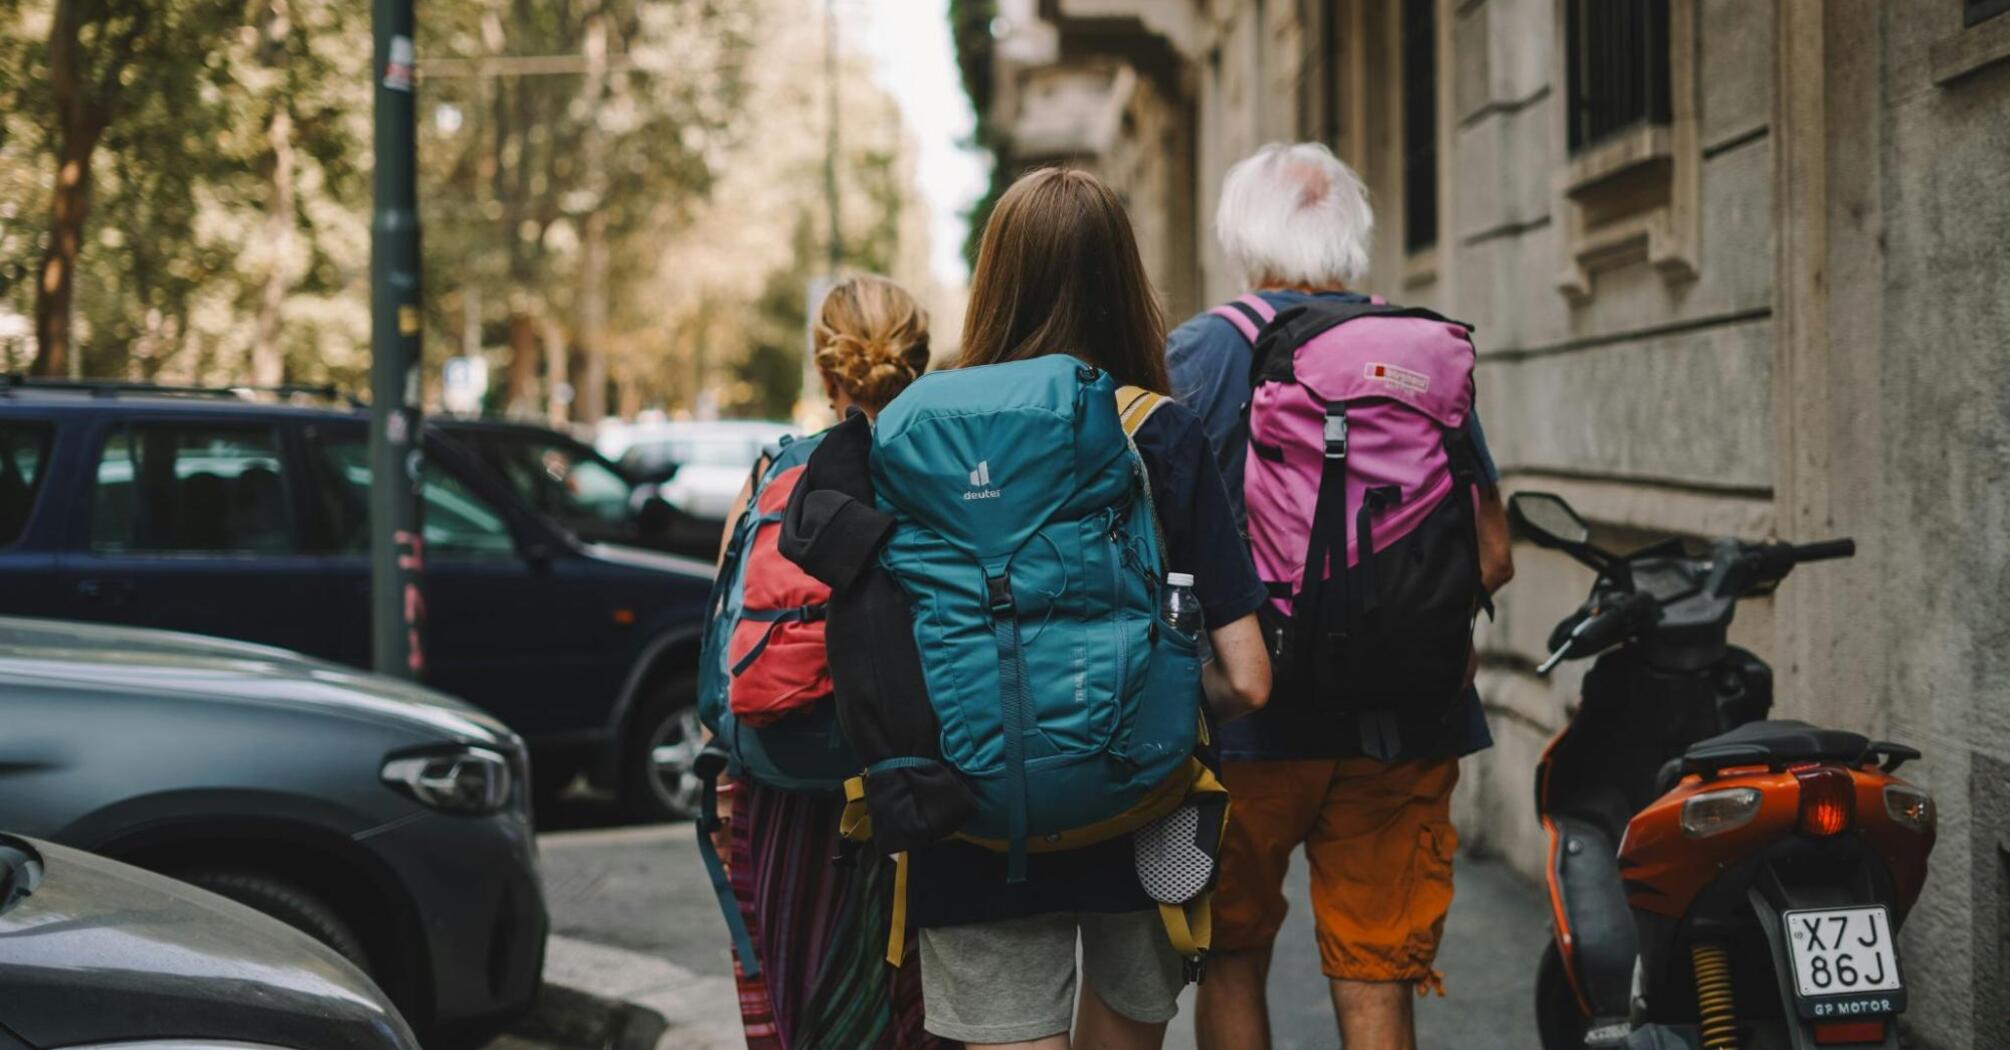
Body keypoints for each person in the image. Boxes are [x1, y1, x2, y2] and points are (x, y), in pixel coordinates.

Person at [908, 167, 1274, 1050]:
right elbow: (1251, 680)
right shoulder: (1159, 430)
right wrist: (1160, 703)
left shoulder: (920, 431)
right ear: (1124, 279)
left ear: (995, 280)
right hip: (1143, 808)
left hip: (968, 810)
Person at [1167, 143, 1515, 1050]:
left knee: (1233, 956)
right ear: (1352, 235)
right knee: (1375, 975)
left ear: (1242, 237)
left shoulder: (1206, 350)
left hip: (1248, 722)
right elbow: (1493, 550)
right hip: (1404, 726)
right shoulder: (1421, 352)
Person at [712, 274, 943, 1050]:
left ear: (825, 369)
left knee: (806, 1003)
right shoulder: (946, 472)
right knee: (923, 1003)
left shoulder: (772, 472)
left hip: (789, 787)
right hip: (919, 783)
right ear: (922, 358)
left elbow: (722, 636)